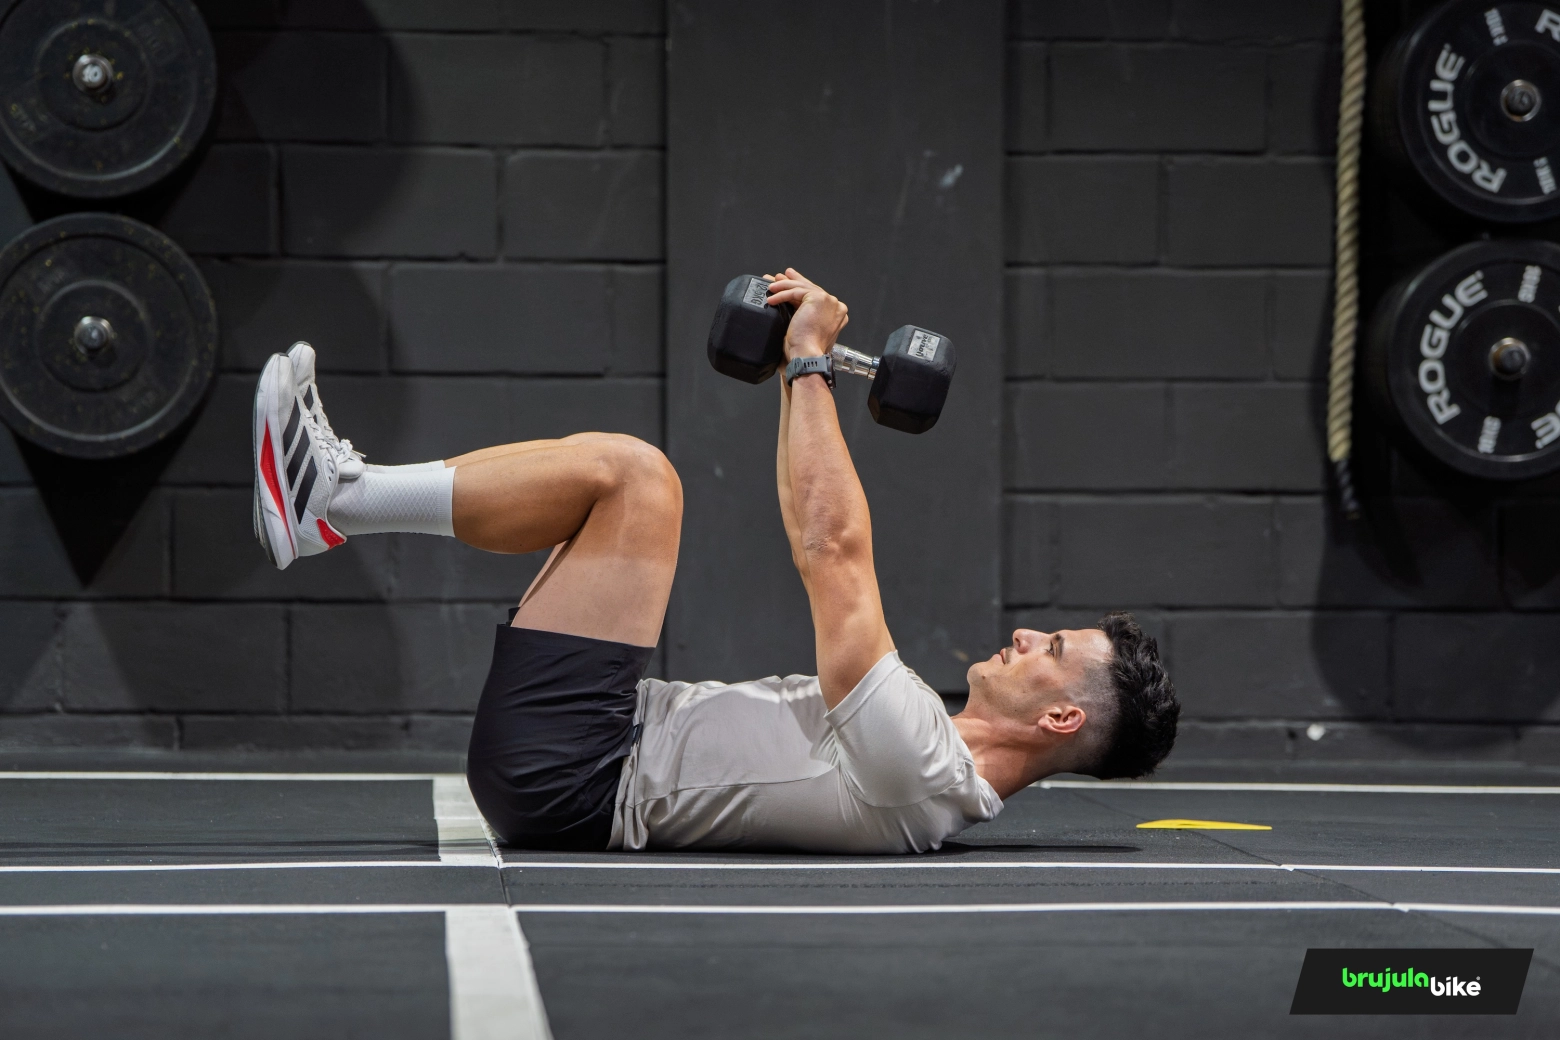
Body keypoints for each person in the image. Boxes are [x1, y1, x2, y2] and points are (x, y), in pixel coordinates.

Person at [252, 269, 1179, 853]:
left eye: (1055, 647)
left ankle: (336, 499)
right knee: (614, 480)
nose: (1029, 633)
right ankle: (337, 504)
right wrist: (794, 375)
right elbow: (812, 522)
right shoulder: (927, 748)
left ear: (1061, 717)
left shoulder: (923, 767)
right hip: (586, 747)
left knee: (636, 481)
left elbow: (830, 549)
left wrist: (810, 362)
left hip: (575, 774)